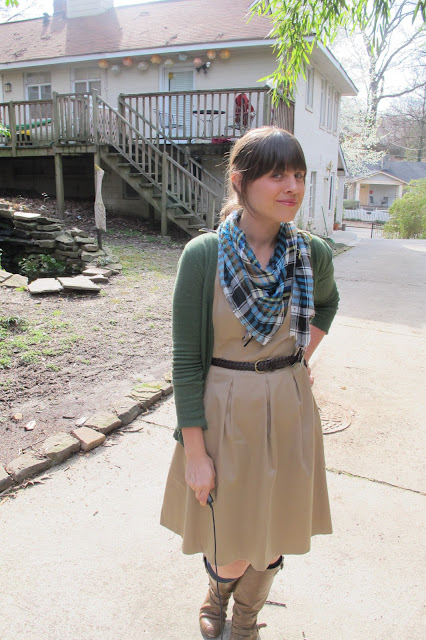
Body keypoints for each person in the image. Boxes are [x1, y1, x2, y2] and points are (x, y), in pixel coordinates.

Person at [160, 126, 339, 639]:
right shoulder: (205, 255)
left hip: (289, 409)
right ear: (240, 181)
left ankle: (245, 619)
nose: (293, 187)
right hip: (225, 411)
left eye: (299, 175)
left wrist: (299, 356)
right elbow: (186, 361)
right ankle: (218, 594)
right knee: (229, 540)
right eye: (277, 175)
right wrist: (195, 453)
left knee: (275, 529)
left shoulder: (311, 253)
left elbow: (327, 303)